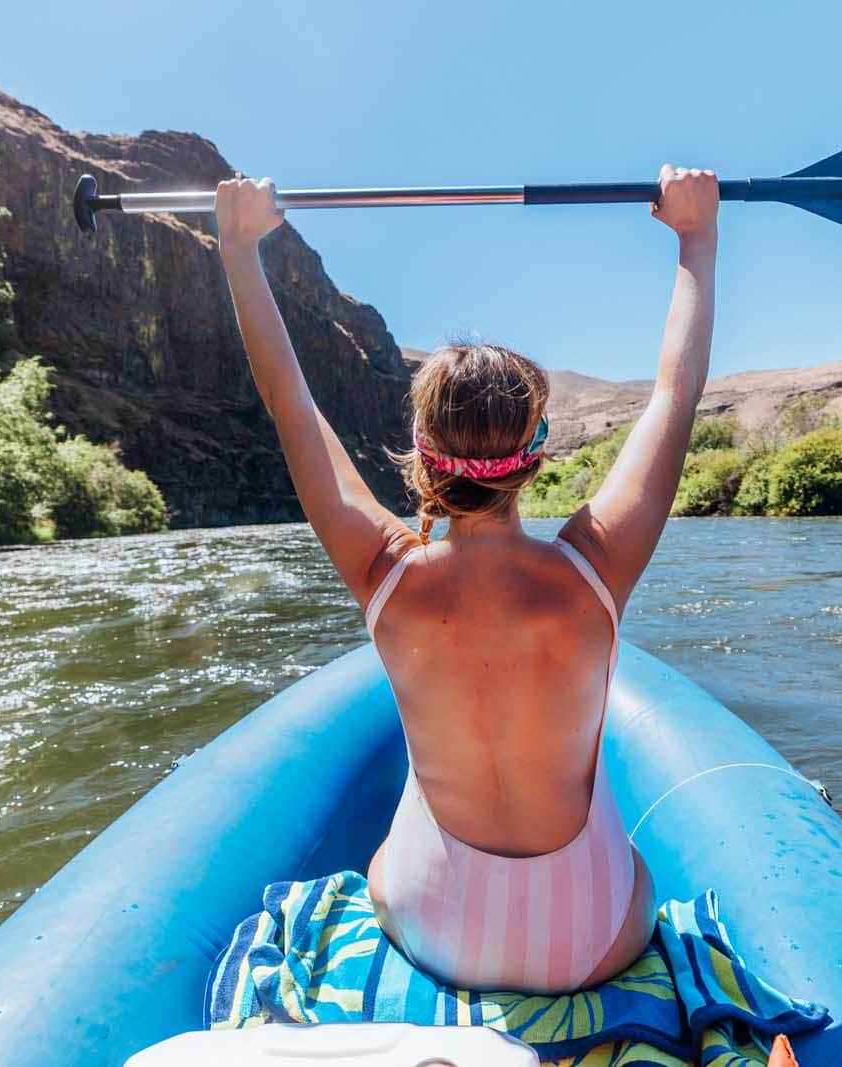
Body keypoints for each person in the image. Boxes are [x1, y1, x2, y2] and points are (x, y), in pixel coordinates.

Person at [214, 164, 718, 993]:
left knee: (394, 838)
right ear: (537, 454)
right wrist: (697, 238)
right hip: (588, 942)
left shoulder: (385, 576)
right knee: (641, 877)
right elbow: (675, 393)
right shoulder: (593, 572)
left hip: (431, 927)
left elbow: (290, 402)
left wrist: (239, 252)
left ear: (419, 453)